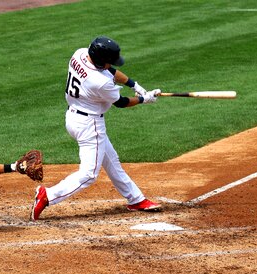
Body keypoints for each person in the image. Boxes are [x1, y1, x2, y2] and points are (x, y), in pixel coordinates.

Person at [31, 36, 162, 221]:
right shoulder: (99, 82)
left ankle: (136, 199)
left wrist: (134, 85)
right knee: (89, 174)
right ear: (101, 61)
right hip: (90, 125)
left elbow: (111, 70)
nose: (110, 65)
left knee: (111, 160)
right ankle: (48, 195)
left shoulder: (80, 54)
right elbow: (122, 102)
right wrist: (144, 99)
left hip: (73, 117)